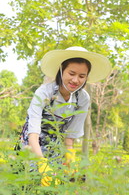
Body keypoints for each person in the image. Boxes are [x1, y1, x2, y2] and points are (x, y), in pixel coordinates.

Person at [19, 46, 111, 186]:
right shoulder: (44, 93)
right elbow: (33, 133)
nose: (75, 80)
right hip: (31, 146)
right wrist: (41, 162)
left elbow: (70, 136)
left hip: (55, 147)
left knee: (55, 185)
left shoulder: (82, 98)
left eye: (82, 76)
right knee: (28, 185)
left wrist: (70, 157)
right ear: (61, 70)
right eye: (71, 73)